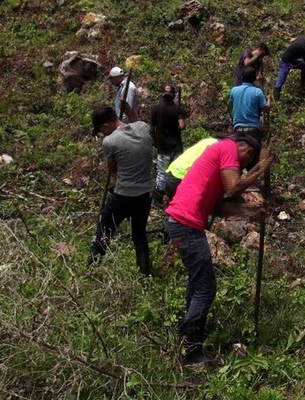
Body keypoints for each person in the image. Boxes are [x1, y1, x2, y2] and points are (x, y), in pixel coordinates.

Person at [165, 134, 273, 366]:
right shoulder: (228, 149)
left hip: (181, 223)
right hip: (185, 224)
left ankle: (186, 335)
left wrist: (251, 212)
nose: (242, 169)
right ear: (246, 151)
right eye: (245, 164)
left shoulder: (218, 161)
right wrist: (260, 169)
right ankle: (191, 351)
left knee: (197, 282)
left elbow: (220, 207)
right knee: (205, 287)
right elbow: (234, 186)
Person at [88, 104, 155, 277]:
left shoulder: (110, 141)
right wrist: (130, 111)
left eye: (101, 131)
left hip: (124, 195)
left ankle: (91, 268)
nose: (103, 134)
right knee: (139, 234)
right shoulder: (143, 127)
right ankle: (145, 273)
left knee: (104, 230)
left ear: (105, 126)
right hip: (145, 194)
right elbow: (135, 121)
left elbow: (113, 169)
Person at [150, 83, 186, 204]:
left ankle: (158, 200)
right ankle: (177, 198)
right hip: (176, 146)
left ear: (162, 95)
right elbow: (182, 126)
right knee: (177, 172)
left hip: (162, 146)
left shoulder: (156, 109)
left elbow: (152, 129)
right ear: (173, 96)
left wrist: (155, 142)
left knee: (161, 173)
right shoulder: (177, 109)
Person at [274, 32, 305, 100]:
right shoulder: (304, 48)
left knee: (304, 67)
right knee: (281, 80)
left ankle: (304, 86)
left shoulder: (303, 40)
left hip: (292, 60)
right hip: (285, 61)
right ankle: (276, 98)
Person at [229, 66, 270, 141]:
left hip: (237, 127)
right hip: (253, 128)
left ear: (242, 77)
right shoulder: (258, 92)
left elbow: (231, 106)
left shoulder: (234, 90)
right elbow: (266, 109)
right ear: (254, 78)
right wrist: (269, 99)